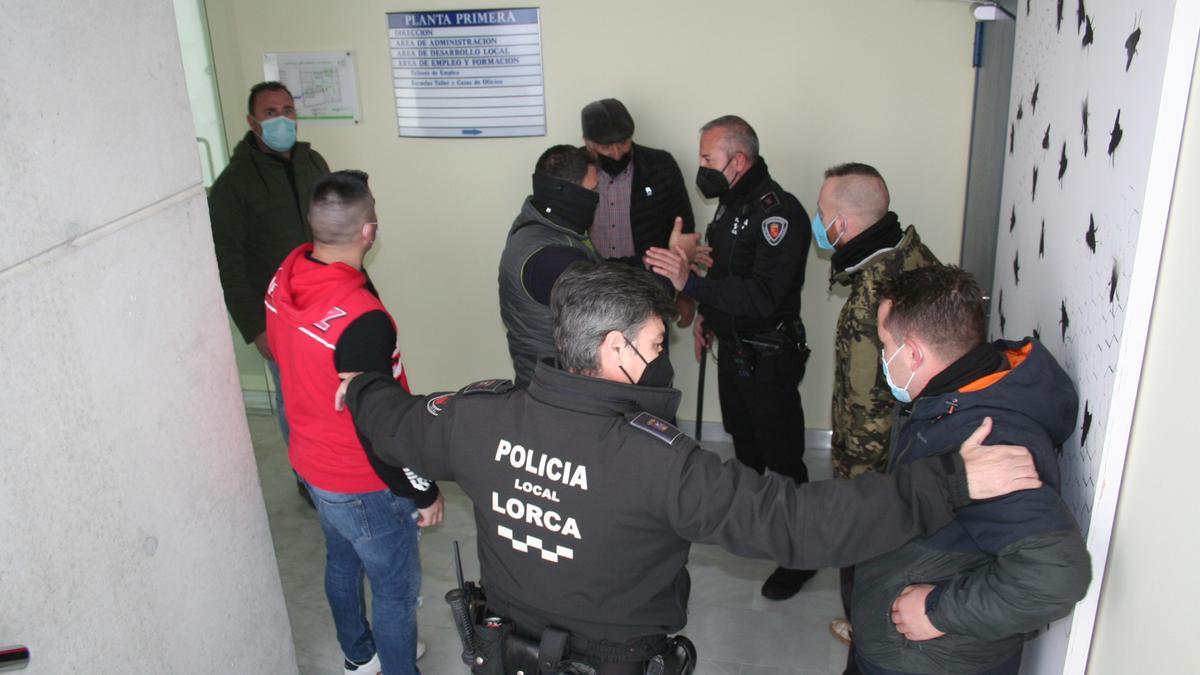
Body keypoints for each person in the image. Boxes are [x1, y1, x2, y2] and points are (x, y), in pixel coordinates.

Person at [337, 261, 1042, 675]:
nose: (659, 352)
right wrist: (950, 481)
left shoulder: (478, 415)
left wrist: (358, 383)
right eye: (652, 340)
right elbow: (798, 524)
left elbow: (394, 424)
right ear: (616, 349)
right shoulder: (661, 463)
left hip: (506, 654)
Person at [852, 265, 1091, 675]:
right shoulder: (957, 393)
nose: (882, 356)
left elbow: (1057, 573)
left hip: (927, 660)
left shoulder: (988, 438)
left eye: (884, 343)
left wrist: (936, 610)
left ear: (912, 353)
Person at [265, 170, 443, 675]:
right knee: (395, 591)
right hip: (360, 478)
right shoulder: (362, 319)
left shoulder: (288, 275)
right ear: (369, 231)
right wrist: (422, 489)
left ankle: (358, 655)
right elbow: (379, 425)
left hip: (310, 461)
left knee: (342, 559)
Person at [644, 115, 815, 600]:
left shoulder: (777, 213)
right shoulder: (729, 206)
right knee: (747, 451)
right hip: (734, 351)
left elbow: (763, 296)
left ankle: (801, 552)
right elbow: (726, 277)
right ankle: (762, 529)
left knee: (783, 461)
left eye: (707, 159)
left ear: (738, 161)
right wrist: (706, 316)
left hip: (769, 355)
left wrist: (689, 284)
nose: (702, 168)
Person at [813, 163, 940, 653]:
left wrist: (856, 474)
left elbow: (866, 398)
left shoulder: (876, 291)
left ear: (842, 223)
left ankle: (868, 630)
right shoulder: (912, 258)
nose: (821, 224)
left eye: (824, 214)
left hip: (875, 455)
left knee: (862, 547)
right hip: (904, 444)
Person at [209, 81, 330, 501]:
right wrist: (254, 326)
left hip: (327, 306)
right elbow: (227, 260)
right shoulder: (233, 183)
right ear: (252, 122)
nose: (281, 120)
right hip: (279, 316)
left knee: (333, 392)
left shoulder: (313, 162)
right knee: (294, 398)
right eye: (270, 113)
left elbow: (336, 226)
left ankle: (333, 467)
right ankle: (308, 476)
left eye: (287, 111)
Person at [499, 145, 704, 387]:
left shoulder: (552, 230)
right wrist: (676, 263)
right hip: (558, 400)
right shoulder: (547, 258)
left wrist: (652, 261)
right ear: (568, 193)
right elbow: (620, 305)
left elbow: (600, 270)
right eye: (593, 190)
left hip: (562, 390)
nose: (598, 199)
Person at [580, 98, 698, 328]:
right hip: (591, 287)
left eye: (623, 143)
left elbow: (685, 233)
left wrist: (686, 294)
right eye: (605, 146)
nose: (616, 153)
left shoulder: (660, 166)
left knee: (652, 358)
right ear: (588, 143)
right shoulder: (575, 171)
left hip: (649, 286)